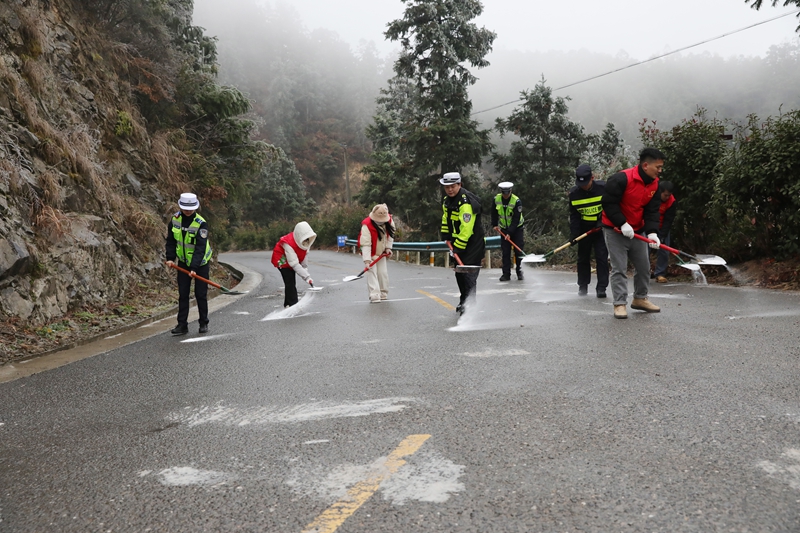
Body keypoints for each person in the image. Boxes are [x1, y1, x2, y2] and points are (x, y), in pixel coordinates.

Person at [601, 148, 665, 319]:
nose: (660, 171)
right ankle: (619, 304)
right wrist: (622, 223)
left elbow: (652, 211)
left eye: (661, 167)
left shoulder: (655, 184)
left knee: (644, 267)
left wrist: (652, 232)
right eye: (658, 167)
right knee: (619, 268)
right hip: (615, 230)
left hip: (637, 230)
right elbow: (608, 203)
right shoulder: (621, 179)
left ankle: (640, 298)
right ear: (645, 165)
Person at [165, 193, 212, 335]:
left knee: (200, 294)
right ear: (180, 206)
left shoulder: (201, 223)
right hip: (183, 262)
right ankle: (182, 325)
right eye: (185, 208)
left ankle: (203, 322)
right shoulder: (175, 220)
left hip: (200, 263)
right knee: (183, 294)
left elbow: (200, 247)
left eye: (190, 208)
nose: (188, 211)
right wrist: (170, 258)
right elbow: (171, 241)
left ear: (195, 207)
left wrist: (194, 267)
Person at [440, 171, 485, 315]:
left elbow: (466, 228)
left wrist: (458, 247)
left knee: (469, 276)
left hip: (472, 244)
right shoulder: (447, 200)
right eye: (447, 187)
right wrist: (446, 235)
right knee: (459, 274)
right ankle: (463, 301)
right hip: (457, 243)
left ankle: (470, 305)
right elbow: (446, 218)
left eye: (453, 186)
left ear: (459, 184)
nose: (450, 190)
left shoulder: (465, 203)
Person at [568, 164, 609, 298]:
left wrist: (602, 220)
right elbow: (574, 215)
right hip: (584, 229)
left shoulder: (603, 188)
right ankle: (583, 286)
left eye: (586, 183)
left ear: (592, 178)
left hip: (600, 228)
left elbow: (610, 206)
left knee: (602, 257)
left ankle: (601, 288)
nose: (584, 186)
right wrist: (574, 233)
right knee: (583, 258)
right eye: (581, 184)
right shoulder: (574, 194)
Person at [271, 221, 317, 308]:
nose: (306, 241)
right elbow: (294, 264)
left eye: (307, 239)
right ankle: (293, 304)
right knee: (290, 281)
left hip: (292, 260)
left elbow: (304, 257)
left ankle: (288, 303)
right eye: (305, 239)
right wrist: (307, 277)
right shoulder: (288, 244)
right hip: (282, 260)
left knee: (291, 281)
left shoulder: (306, 241)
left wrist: (305, 271)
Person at [358, 204, 396, 302]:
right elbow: (366, 244)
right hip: (370, 252)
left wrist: (388, 248)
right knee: (372, 272)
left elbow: (391, 235)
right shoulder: (367, 225)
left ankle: (383, 293)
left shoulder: (389, 221)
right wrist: (367, 261)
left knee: (382, 273)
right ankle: (374, 294)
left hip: (381, 251)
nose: (381, 222)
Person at [491, 181, 525, 281]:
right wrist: (494, 224)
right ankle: (506, 274)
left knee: (518, 251)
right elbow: (493, 212)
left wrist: (510, 233)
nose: (505, 195)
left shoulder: (516, 201)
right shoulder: (496, 199)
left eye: (507, 193)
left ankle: (520, 272)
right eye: (503, 193)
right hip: (504, 229)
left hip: (517, 229)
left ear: (511, 191)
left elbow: (516, 219)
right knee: (505, 252)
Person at [652, 180, 677, 283]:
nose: (667, 197)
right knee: (643, 251)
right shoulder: (652, 197)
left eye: (669, 195)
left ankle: (660, 273)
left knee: (664, 251)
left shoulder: (672, 202)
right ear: (660, 192)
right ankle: (642, 272)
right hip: (649, 226)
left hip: (662, 227)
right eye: (665, 195)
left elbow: (668, 220)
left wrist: (662, 236)